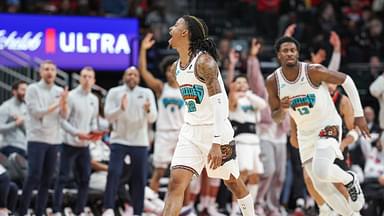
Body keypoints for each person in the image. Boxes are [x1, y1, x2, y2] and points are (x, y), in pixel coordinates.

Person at [163, 15, 255, 216]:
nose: (171, 29)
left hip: (216, 130)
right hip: (190, 132)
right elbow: (193, 105)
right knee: (175, 184)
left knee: (232, 182)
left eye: (176, 26)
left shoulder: (204, 62)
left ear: (185, 33)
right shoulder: (175, 68)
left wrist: (216, 141)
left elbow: (220, 105)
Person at [267, 36, 368, 216]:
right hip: (305, 133)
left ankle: (349, 178)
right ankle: (351, 215)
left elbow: (347, 80)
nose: (290, 53)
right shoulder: (273, 81)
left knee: (321, 171)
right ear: (278, 55)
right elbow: (275, 117)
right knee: (320, 185)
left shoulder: (312, 71)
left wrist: (359, 115)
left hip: (327, 125)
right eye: (285, 50)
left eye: (293, 50)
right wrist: (282, 110)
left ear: (297, 53)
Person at [103, 66, 157, 216]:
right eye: (129, 74)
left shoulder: (146, 93)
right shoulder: (114, 92)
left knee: (139, 178)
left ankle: (137, 211)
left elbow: (153, 117)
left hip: (140, 141)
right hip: (118, 140)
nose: (132, 77)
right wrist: (120, 108)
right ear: (124, 77)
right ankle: (108, 208)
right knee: (114, 172)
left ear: (138, 78)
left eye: (135, 74)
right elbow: (108, 116)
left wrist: (148, 110)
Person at [19, 60, 68, 216]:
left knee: (47, 179)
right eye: (46, 69)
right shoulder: (33, 89)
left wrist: (64, 104)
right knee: (33, 176)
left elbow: (64, 116)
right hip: (36, 139)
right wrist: (57, 104)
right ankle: (22, 211)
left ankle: (40, 212)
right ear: (41, 72)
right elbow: (36, 112)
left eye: (53, 69)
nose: (50, 72)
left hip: (54, 140)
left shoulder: (59, 90)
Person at [139, 33, 184, 192]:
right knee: (158, 172)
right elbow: (143, 71)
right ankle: (153, 205)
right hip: (164, 134)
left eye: (173, 70)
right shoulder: (160, 87)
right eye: (167, 71)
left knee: (182, 175)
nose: (170, 73)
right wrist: (143, 50)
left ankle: (183, 209)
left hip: (181, 134)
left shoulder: (187, 89)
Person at [52, 67, 101, 215]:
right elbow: (62, 121)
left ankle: (79, 210)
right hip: (68, 144)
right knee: (62, 178)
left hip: (84, 146)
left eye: (89, 77)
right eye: (84, 76)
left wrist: (93, 133)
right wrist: (77, 133)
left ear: (94, 81)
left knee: (85, 179)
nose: (86, 80)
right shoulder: (71, 96)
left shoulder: (94, 99)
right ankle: (56, 210)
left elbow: (93, 121)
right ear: (79, 78)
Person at [228, 75, 267, 215]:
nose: (241, 84)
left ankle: (250, 209)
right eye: (238, 82)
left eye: (244, 81)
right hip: (241, 140)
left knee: (255, 175)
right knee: (241, 175)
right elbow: (231, 106)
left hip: (254, 141)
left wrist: (248, 93)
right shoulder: (233, 97)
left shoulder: (251, 98)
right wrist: (234, 91)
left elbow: (263, 105)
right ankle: (235, 208)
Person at [0, 80, 28, 158]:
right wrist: (15, 124)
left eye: (27, 90)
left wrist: (22, 123)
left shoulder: (26, 108)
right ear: (14, 92)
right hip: (9, 147)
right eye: (23, 90)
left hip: (24, 148)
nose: (25, 93)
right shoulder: (6, 107)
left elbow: (28, 131)